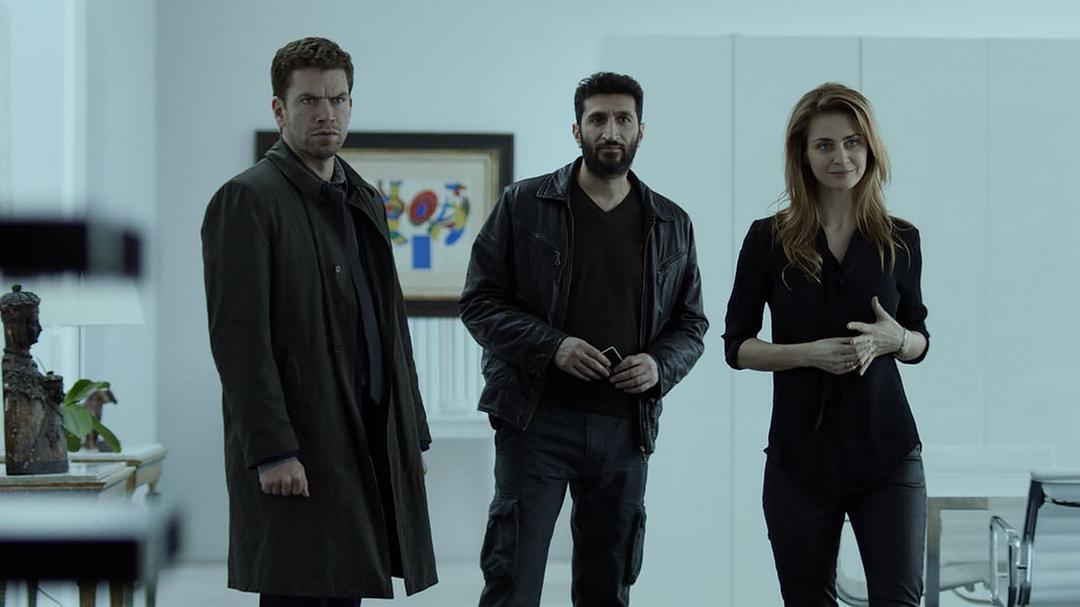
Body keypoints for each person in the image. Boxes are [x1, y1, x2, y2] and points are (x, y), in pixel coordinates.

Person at [201, 36, 437, 607]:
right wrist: (272, 450)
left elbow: (391, 326)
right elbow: (239, 342)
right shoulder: (246, 199)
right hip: (302, 438)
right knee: (300, 588)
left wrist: (410, 435)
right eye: (308, 100)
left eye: (338, 98)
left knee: (346, 589)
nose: (326, 112)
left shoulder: (365, 198)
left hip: (366, 433)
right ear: (279, 110)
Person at [460, 71, 708, 607]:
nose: (610, 131)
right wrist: (553, 346)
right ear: (577, 130)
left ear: (641, 130)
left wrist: (659, 365)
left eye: (623, 119)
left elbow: (692, 325)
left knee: (607, 590)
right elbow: (479, 303)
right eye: (597, 119)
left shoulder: (671, 222)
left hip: (625, 430)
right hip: (535, 423)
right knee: (512, 583)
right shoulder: (523, 204)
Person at [722, 82, 930, 606]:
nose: (842, 157)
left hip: (887, 451)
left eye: (853, 142)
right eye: (825, 145)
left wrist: (896, 339)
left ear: (870, 147)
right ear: (803, 154)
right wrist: (806, 353)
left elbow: (919, 339)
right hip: (800, 458)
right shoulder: (767, 240)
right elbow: (737, 346)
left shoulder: (901, 240)